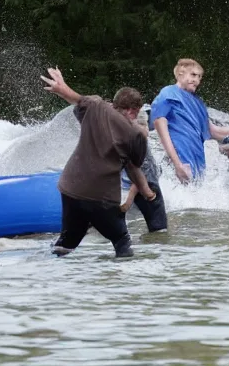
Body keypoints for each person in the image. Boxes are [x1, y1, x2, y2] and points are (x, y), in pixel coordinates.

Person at [41, 67, 157, 258]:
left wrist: (61, 87)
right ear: (135, 111)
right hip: (99, 196)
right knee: (122, 241)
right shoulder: (135, 135)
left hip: (70, 187)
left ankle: (48, 275)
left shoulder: (97, 108)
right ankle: (126, 285)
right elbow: (133, 167)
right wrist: (148, 194)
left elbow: (77, 99)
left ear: (115, 102)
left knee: (68, 242)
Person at [150, 58, 229, 183]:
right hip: (179, 161)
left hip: (197, 162)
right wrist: (177, 164)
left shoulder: (198, 103)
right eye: (193, 75)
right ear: (180, 74)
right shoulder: (168, 93)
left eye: (199, 77)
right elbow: (159, 125)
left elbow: (214, 132)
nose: (197, 80)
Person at [121, 108, 168, 233]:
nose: (146, 129)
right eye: (142, 125)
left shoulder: (139, 144)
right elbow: (140, 176)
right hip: (139, 193)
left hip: (139, 192)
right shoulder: (136, 143)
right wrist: (128, 201)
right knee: (158, 230)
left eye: (146, 125)